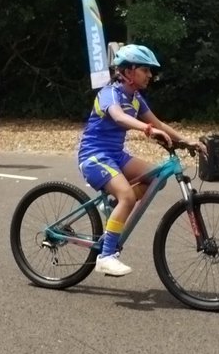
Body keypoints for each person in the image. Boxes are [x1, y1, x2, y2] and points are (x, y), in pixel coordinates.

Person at [77, 43, 200, 277]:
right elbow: (119, 116)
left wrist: (187, 141)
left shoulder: (136, 98)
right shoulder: (109, 93)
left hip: (116, 155)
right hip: (94, 156)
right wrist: (148, 129)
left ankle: (112, 205)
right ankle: (106, 256)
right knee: (127, 196)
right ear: (129, 71)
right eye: (146, 70)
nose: (150, 75)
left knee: (157, 178)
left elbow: (160, 123)